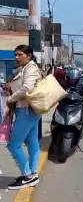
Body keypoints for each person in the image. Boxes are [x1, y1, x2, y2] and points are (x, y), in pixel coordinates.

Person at [6, 45, 42, 190]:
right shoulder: (24, 68)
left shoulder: (31, 68)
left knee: (13, 144)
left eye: (20, 55)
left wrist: (11, 99)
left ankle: (27, 176)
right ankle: (32, 174)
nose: (16, 57)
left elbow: (27, 88)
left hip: (26, 111)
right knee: (32, 143)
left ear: (29, 55)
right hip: (30, 111)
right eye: (15, 54)